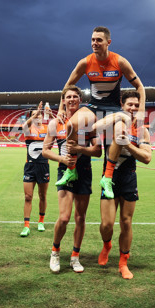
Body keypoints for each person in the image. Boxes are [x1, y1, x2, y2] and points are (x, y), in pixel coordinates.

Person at [55, 26, 145, 200]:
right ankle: (71, 170)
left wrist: (141, 110)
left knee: (120, 134)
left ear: (108, 42)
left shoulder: (120, 62)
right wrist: (60, 108)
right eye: (92, 40)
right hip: (94, 107)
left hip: (113, 108)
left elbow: (139, 86)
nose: (94, 43)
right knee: (72, 124)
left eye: (99, 40)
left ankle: (107, 177)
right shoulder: (85, 62)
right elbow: (67, 86)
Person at [42, 86, 101, 273]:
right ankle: (55, 252)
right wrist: (61, 158)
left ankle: (75, 256)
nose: (72, 99)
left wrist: (80, 150)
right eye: (69, 96)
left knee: (80, 217)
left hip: (84, 170)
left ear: (80, 100)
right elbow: (45, 150)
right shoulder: (55, 124)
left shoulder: (89, 122)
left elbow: (98, 150)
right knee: (65, 217)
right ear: (64, 100)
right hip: (64, 170)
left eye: (76, 96)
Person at [97, 91, 151, 280]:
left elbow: (147, 158)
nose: (133, 108)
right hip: (109, 177)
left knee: (126, 222)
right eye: (130, 105)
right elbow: (93, 127)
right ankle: (106, 245)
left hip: (128, 177)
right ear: (122, 104)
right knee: (107, 224)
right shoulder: (115, 121)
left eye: (137, 105)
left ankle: (123, 263)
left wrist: (128, 144)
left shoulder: (142, 130)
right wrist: (119, 117)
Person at [20, 102, 50, 237]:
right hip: (30, 166)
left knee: (43, 196)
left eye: (39, 115)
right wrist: (35, 114)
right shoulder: (28, 130)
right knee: (28, 196)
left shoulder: (47, 129)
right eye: (33, 115)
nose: (37, 117)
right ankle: (26, 226)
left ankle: (41, 221)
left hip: (43, 165)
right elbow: (24, 126)